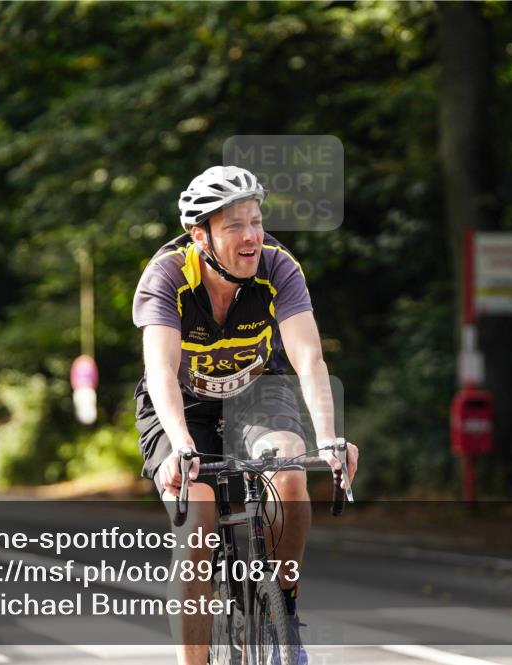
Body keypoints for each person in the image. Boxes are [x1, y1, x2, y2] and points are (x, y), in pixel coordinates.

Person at [132, 165, 359, 665]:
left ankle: (285, 615)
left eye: (255, 221)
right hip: (181, 405)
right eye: (234, 225)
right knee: (198, 519)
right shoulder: (167, 275)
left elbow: (308, 358)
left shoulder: (279, 266)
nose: (251, 235)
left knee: (292, 478)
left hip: (257, 392)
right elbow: (162, 372)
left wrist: (330, 437)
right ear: (202, 235)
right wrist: (183, 448)